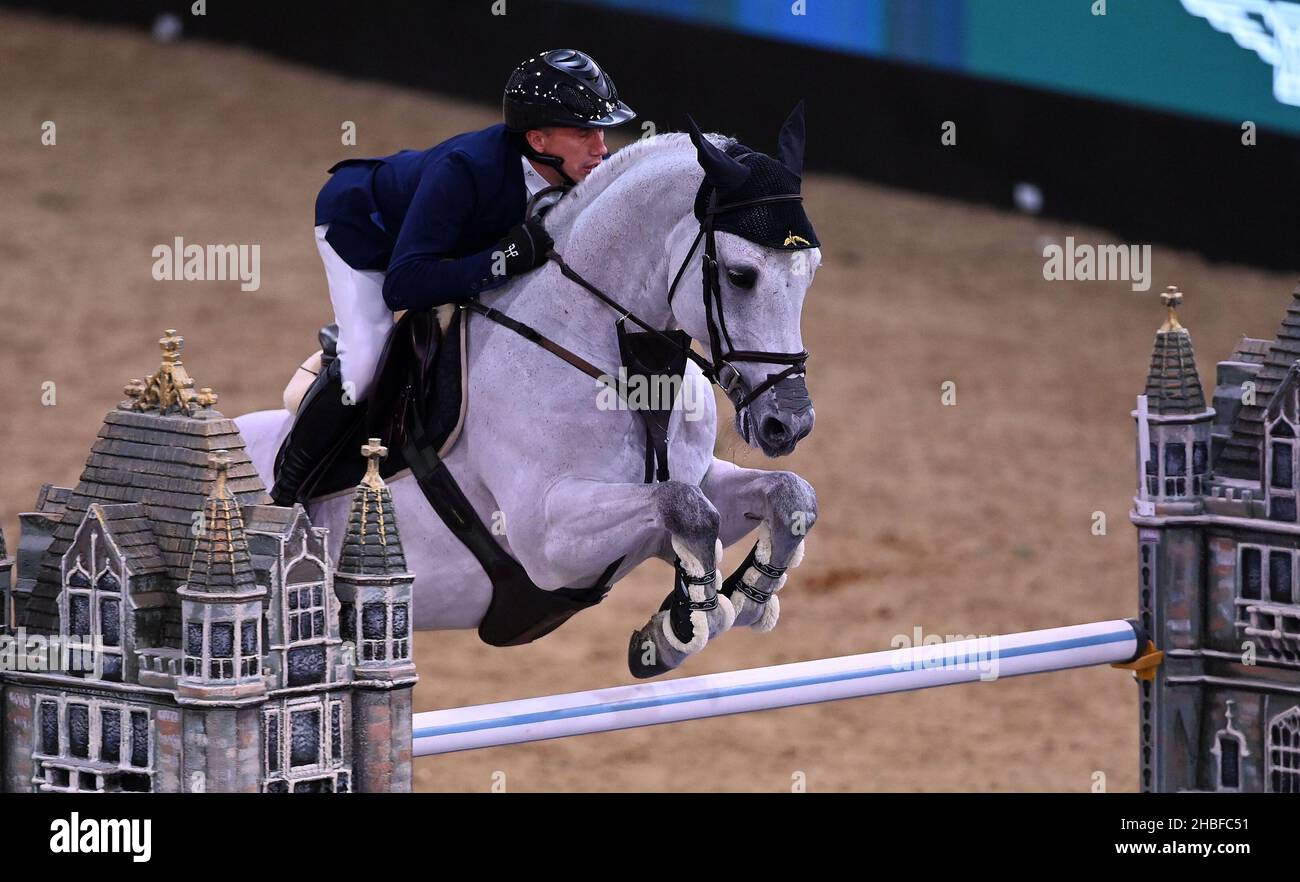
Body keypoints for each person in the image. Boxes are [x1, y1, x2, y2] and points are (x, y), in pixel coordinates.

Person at [272, 48, 637, 505]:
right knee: (365, 363)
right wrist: (501, 259)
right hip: (364, 231)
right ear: (539, 141)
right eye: (584, 132)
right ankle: (284, 500)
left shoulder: (577, 173)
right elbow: (403, 285)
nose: (602, 147)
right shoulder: (465, 169)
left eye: (602, 129)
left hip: (439, 245)